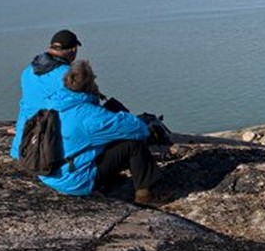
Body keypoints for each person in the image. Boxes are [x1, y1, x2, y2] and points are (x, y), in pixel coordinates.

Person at [9, 30, 169, 206]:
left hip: (34, 146)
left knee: (87, 137)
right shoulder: (78, 99)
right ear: (73, 50)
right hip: (73, 178)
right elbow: (130, 127)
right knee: (130, 143)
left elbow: (26, 107)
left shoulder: (31, 76)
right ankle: (145, 196)